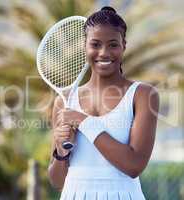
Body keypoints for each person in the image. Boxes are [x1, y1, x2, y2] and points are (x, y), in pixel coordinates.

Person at [48, 6, 159, 200]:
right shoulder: (64, 102)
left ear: (124, 45)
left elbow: (134, 166)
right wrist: (61, 152)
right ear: (85, 46)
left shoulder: (142, 95)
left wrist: (84, 122)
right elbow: (57, 181)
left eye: (113, 44)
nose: (104, 52)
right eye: (96, 44)